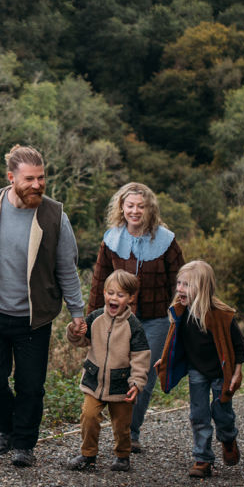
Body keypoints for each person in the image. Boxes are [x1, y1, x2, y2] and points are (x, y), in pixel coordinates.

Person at [0, 145, 86, 467]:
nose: (37, 185)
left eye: (42, 178)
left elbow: (67, 269)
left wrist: (77, 312)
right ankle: (6, 428)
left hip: (34, 318)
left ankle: (24, 444)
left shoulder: (55, 215)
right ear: (11, 177)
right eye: (30, 179)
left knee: (31, 386)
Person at [87, 183, 183, 454]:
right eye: (130, 205)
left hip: (156, 319)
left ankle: (131, 432)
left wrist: (182, 318)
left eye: (141, 206)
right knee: (118, 371)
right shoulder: (111, 239)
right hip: (119, 320)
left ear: (150, 208)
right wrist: (90, 319)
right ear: (122, 208)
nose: (135, 211)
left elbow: (180, 280)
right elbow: (99, 281)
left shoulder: (166, 240)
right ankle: (120, 430)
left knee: (144, 376)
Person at [153, 260, 244, 478]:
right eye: (178, 283)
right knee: (198, 414)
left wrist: (237, 371)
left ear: (202, 288)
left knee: (221, 412)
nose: (179, 289)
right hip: (197, 370)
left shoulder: (222, 315)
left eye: (186, 285)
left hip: (221, 372)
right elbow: (175, 343)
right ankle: (203, 458)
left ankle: (228, 437)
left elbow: (240, 345)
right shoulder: (180, 312)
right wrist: (165, 360)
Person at [64, 270, 149, 472]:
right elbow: (81, 341)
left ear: (130, 298)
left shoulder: (133, 326)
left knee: (121, 425)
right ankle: (88, 454)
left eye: (120, 295)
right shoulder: (95, 318)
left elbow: (140, 357)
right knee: (89, 416)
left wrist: (137, 383)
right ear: (104, 293)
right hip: (95, 382)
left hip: (121, 385)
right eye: (110, 293)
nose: (114, 298)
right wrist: (74, 332)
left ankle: (122, 455)